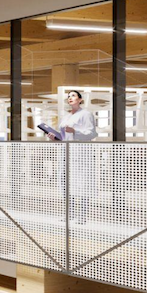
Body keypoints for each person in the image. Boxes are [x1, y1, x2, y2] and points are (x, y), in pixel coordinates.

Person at [52, 89, 98, 225]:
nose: (70, 98)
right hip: (66, 154)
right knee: (66, 185)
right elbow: (64, 137)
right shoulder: (66, 117)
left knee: (82, 185)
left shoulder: (86, 114)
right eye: (68, 96)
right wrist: (55, 138)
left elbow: (91, 133)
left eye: (73, 95)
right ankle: (69, 214)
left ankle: (82, 216)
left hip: (80, 155)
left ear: (80, 99)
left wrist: (75, 131)